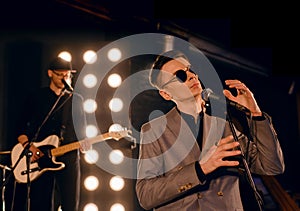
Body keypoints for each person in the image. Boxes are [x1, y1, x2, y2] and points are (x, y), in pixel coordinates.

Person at [135, 50, 285, 210]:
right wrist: (200, 169)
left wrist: (255, 114)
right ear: (165, 94)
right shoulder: (154, 130)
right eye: (180, 75)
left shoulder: (224, 125)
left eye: (190, 70)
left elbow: (272, 166)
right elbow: (146, 195)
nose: (192, 76)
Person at [11, 57, 88, 211]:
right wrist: (29, 147)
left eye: (67, 75)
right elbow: (19, 127)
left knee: (70, 204)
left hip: (69, 158)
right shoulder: (36, 97)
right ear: (50, 73)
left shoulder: (76, 99)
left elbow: (82, 132)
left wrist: (85, 144)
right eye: (60, 74)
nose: (64, 78)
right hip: (41, 156)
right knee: (42, 203)